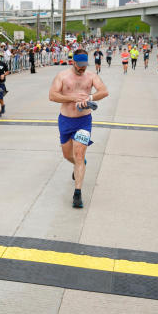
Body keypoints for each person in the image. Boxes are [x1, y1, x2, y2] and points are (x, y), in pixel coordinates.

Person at [49, 50, 109, 208]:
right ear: (73, 62)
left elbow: (104, 91)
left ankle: (77, 194)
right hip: (65, 121)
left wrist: (89, 98)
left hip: (83, 121)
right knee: (68, 155)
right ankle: (78, 164)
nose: (83, 68)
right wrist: (72, 98)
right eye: (80, 65)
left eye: (85, 65)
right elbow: (52, 95)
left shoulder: (91, 76)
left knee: (79, 155)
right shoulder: (62, 76)